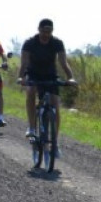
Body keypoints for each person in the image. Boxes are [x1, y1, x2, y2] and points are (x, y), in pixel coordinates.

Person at [18, 18, 75, 147]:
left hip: (50, 75)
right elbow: (24, 63)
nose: (46, 34)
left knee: (55, 103)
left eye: (49, 32)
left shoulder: (57, 43)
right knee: (31, 91)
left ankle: (55, 141)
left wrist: (70, 77)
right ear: (38, 29)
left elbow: (63, 62)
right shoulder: (29, 43)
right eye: (44, 31)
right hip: (33, 73)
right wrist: (21, 77)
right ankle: (32, 127)